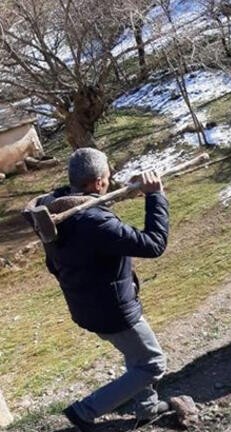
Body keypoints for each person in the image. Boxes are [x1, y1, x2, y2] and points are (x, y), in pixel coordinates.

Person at [33, 148, 170, 431]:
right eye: (108, 177)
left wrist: (132, 189)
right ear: (98, 183)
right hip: (114, 311)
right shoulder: (94, 222)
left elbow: (53, 265)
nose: (110, 180)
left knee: (136, 355)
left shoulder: (54, 211)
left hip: (88, 306)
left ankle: (147, 408)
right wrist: (155, 195)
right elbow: (153, 244)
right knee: (153, 363)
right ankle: (84, 411)